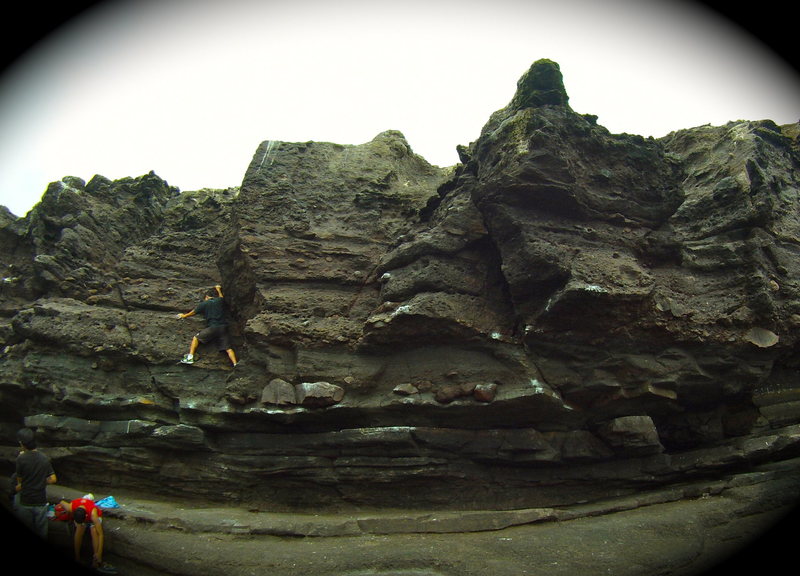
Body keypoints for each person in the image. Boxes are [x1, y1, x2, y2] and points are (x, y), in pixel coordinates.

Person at [176, 284, 238, 366]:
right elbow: (221, 297)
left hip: (213, 327)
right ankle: (235, 364)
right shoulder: (220, 301)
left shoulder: (204, 304)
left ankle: (190, 357)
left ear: (207, 297)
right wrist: (218, 289)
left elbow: (193, 312)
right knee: (228, 348)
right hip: (223, 328)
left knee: (196, 338)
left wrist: (184, 316)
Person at [13, 427, 57, 539]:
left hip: (25, 501)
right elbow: (53, 479)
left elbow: (20, 482)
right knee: (42, 532)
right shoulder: (44, 458)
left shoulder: (21, 459)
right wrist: (41, 481)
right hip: (40, 502)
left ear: (22, 444)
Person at [57, 495, 113, 572]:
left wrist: (99, 552)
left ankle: (95, 560)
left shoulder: (93, 514)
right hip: (81, 516)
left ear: (86, 516)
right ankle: (77, 557)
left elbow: (100, 534)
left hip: (94, 516)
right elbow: (62, 502)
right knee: (79, 529)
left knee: (94, 530)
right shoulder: (71, 507)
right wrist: (68, 514)